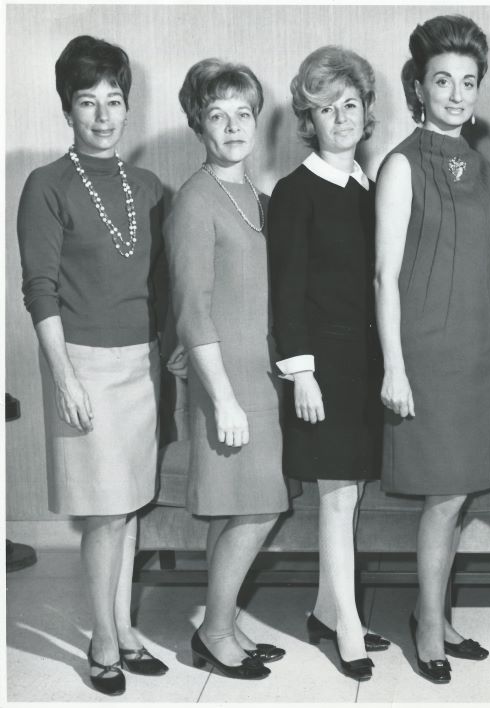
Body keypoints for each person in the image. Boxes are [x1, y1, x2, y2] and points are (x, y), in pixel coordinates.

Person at [17, 35, 169, 696]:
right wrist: (65, 378)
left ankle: (125, 630)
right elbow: (39, 289)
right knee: (106, 513)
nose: (104, 116)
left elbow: (164, 284)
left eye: (114, 100)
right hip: (82, 366)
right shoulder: (45, 185)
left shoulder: (147, 185)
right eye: (88, 102)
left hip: (141, 365)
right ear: (67, 109)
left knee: (130, 506)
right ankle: (104, 641)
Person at [375, 14, 490, 684]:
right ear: (417, 88)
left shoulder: (486, 171)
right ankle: (427, 621)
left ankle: (439, 614)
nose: (455, 93)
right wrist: (394, 366)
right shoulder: (401, 163)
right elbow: (384, 275)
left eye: (468, 82)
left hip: (478, 354)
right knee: (444, 496)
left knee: (462, 495)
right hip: (425, 353)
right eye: (442, 80)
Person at [166, 58, 296, 681]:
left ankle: (223, 622)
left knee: (240, 506)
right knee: (256, 508)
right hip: (228, 378)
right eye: (217, 115)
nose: (234, 125)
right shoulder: (195, 201)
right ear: (199, 124)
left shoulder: (256, 196)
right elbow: (192, 313)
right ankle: (215, 631)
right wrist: (221, 399)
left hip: (261, 373)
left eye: (243, 113)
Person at [267, 45, 389, 682]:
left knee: (351, 494)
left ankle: (325, 607)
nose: (340, 116)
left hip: (366, 363)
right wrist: (302, 372)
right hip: (323, 366)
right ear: (307, 118)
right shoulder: (295, 192)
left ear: (367, 110)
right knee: (337, 500)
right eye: (324, 107)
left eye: (350, 104)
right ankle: (347, 626)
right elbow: (285, 292)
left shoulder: (371, 187)